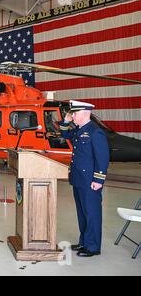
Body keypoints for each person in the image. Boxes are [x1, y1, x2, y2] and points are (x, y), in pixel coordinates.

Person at [59, 100, 110, 257]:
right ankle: (84, 242)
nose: (72, 116)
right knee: (82, 213)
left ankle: (93, 247)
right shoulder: (79, 130)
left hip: (90, 181)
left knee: (92, 213)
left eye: (75, 113)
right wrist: (66, 121)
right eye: (72, 113)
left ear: (85, 113)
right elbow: (64, 133)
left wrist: (99, 180)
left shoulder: (95, 132)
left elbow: (102, 158)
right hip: (78, 179)